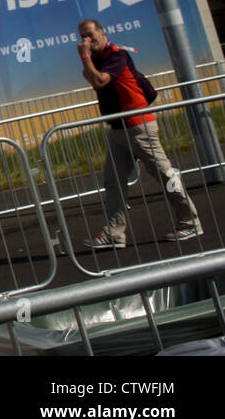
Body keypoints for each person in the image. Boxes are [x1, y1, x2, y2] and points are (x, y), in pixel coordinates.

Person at [75, 19, 202, 248]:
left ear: (103, 33)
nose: (87, 40)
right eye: (83, 36)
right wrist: (88, 60)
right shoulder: (97, 60)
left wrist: (85, 58)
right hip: (118, 130)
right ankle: (114, 234)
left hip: (137, 126)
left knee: (165, 175)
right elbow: (96, 81)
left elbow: (100, 81)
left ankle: (190, 223)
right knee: (113, 181)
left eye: (91, 34)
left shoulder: (116, 56)